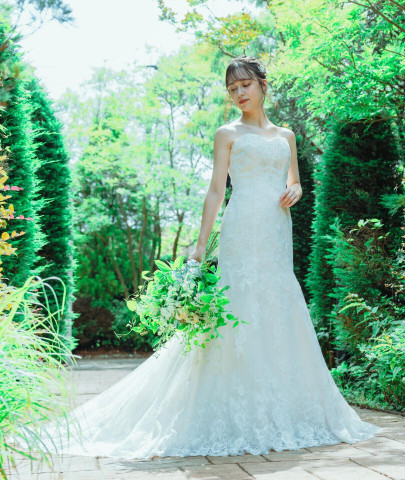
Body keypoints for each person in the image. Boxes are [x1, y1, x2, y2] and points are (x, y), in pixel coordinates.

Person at [17, 55, 380, 460]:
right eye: (232, 89)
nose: (239, 93)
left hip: (277, 230)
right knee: (237, 305)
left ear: (263, 85)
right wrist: (200, 245)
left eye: (245, 85)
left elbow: (292, 179)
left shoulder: (287, 136)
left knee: (278, 303)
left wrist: (296, 189)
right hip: (241, 227)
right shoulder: (227, 134)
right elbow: (215, 191)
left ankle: (286, 408)